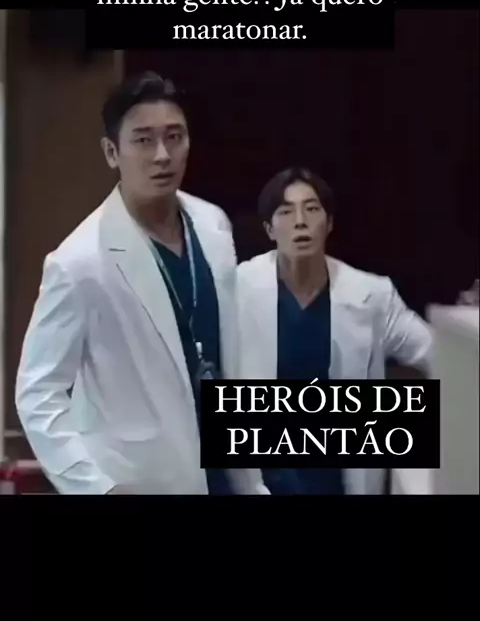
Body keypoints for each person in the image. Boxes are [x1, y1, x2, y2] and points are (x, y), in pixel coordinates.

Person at [15, 71, 268, 496]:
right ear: (112, 152)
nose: (162, 155)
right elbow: (37, 394)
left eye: (174, 137)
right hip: (144, 481)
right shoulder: (80, 261)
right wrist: (98, 488)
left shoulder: (212, 225)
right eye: (144, 140)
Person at [236, 167, 434, 495]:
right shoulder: (236, 289)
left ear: (329, 224)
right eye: (286, 211)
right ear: (269, 229)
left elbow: (440, 355)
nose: (300, 221)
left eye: (312, 209)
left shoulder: (372, 295)